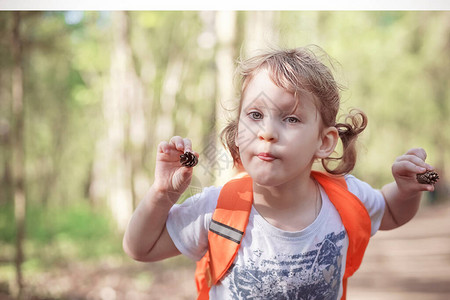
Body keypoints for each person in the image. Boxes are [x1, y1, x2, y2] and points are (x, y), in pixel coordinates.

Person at [123, 46, 435, 299]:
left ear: (324, 142)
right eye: (255, 115)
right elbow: (141, 248)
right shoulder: (219, 209)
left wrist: (405, 191)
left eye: (291, 119)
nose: (267, 132)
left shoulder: (345, 199)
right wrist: (162, 194)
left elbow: (392, 212)